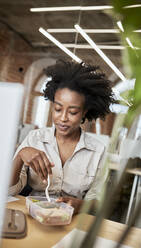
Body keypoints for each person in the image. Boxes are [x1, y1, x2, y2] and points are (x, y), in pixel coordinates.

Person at [9, 60, 115, 214]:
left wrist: (81, 205)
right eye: (58, 109)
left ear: (85, 112)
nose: (63, 118)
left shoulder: (98, 151)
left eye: (73, 112)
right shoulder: (35, 138)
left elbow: (98, 200)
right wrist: (20, 154)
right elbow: (9, 191)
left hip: (73, 218)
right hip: (34, 214)